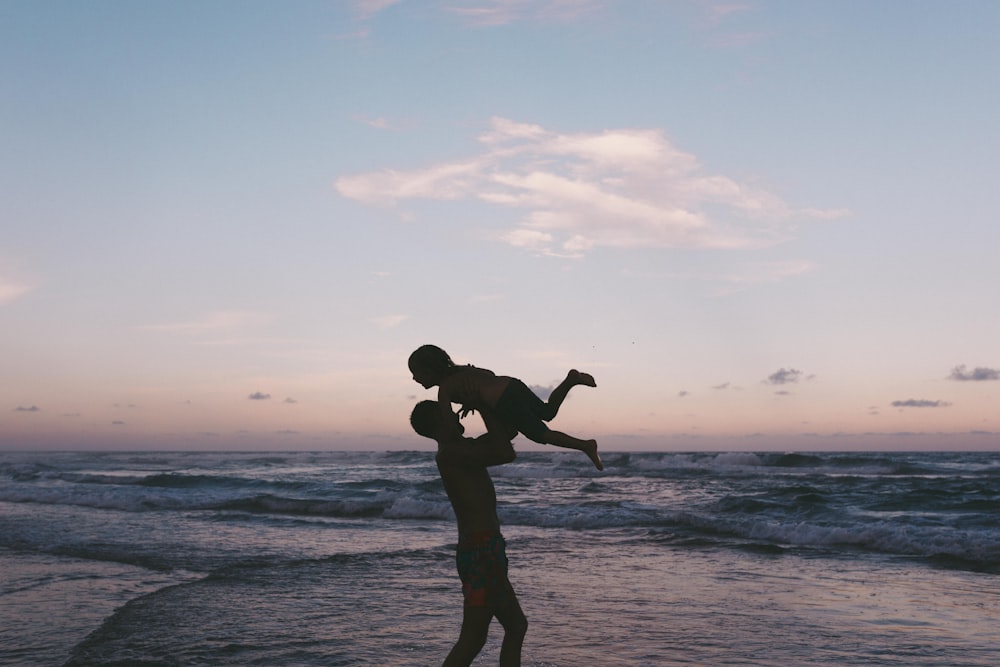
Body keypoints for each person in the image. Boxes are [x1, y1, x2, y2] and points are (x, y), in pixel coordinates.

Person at [410, 399, 528, 667]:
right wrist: (484, 408)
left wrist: (492, 404)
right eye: (449, 413)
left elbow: (504, 434)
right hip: (481, 553)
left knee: (515, 626)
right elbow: (505, 453)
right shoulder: (452, 453)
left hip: (485, 550)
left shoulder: (461, 448)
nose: (456, 415)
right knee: (474, 638)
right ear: (439, 422)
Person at [408, 344, 603, 471]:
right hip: (511, 384)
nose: (414, 378)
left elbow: (450, 426)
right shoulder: (462, 372)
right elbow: (489, 373)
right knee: (547, 412)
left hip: (503, 401)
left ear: (428, 371)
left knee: (540, 434)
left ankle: (585, 445)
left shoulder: (445, 391)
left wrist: (454, 439)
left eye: (416, 373)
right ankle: (570, 381)